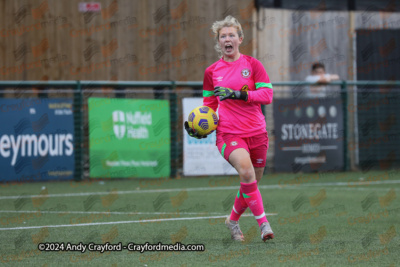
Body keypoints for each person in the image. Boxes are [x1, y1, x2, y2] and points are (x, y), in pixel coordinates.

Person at [184, 16, 274, 242]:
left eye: (231, 35)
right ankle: (264, 224)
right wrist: (201, 125)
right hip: (229, 134)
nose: (227, 39)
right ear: (219, 42)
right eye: (223, 36)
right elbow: (209, 106)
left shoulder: (253, 65)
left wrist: (240, 94)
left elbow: (267, 95)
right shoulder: (211, 72)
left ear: (240, 39)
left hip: (257, 133)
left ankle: (232, 220)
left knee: (251, 182)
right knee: (246, 172)